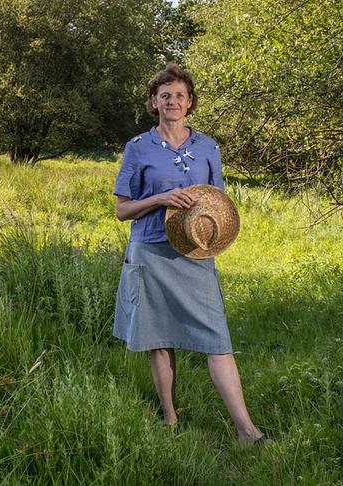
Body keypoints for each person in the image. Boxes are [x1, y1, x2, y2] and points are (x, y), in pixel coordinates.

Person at [113, 62, 268, 445]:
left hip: (196, 255)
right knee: (159, 338)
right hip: (150, 253)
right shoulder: (138, 148)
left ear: (190, 102)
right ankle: (169, 418)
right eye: (165, 95)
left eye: (180, 95)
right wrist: (161, 198)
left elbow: (218, 203)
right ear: (153, 102)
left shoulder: (208, 147)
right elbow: (122, 209)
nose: (173, 101)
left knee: (218, 338)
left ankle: (248, 432)